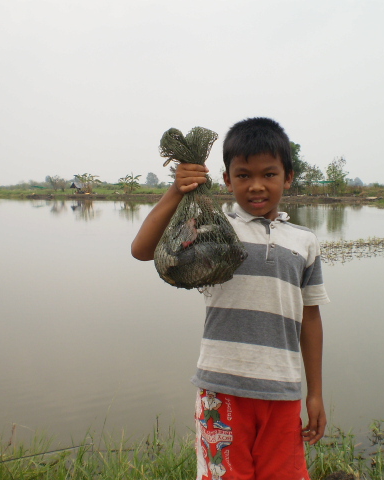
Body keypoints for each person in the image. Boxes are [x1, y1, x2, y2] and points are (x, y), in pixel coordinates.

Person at [132, 117, 330, 480]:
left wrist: (314, 394)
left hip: (283, 392)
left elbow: (311, 319)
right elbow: (142, 250)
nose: (256, 186)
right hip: (221, 391)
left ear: (288, 177)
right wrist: (178, 190)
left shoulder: (305, 241)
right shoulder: (213, 228)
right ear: (226, 179)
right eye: (243, 176)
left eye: (269, 175)